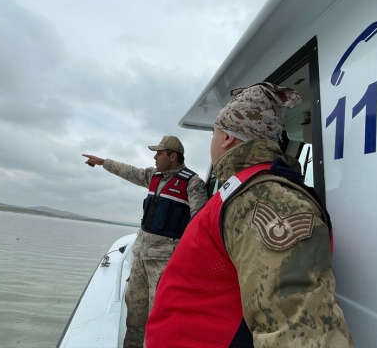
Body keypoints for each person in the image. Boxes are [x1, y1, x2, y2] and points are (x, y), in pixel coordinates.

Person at [146, 83, 353, 347]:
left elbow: (298, 330)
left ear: (227, 138)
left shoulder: (267, 199)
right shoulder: (242, 189)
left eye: (213, 133)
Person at [82, 135, 208, 348]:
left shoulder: (193, 183)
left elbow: (200, 223)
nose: (155, 157)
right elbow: (129, 171)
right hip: (140, 257)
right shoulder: (153, 176)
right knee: (135, 314)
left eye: (159, 153)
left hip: (165, 263)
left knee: (159, 317)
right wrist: (103, 162)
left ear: (173, 156)